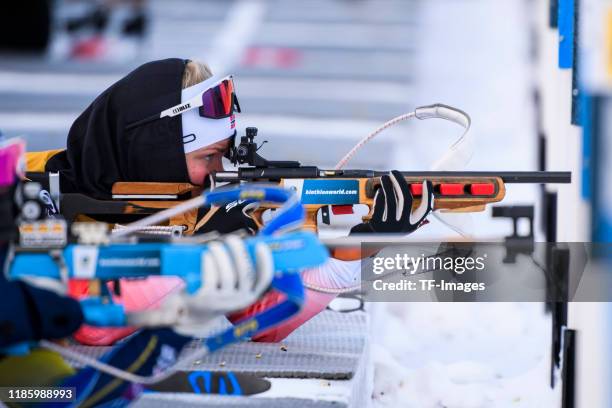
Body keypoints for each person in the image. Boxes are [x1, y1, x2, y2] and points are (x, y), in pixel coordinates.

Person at [26, 58, 434, 343]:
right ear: (152, 152)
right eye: (208, 157)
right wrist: (198, 253)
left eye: (223, 155)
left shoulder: (182, 207)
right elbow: (88, 324)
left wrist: (348, 258)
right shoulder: (26, 187)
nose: (218, 172)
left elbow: (263, 322)